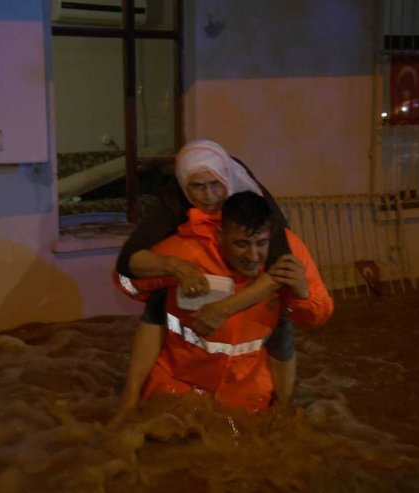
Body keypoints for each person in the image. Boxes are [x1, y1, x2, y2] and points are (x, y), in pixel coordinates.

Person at [115, 140, 298, 407]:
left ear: (226, 177)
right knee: (158, 301)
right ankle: (130, 398)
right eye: (197, 187)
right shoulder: (173, 199)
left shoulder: (253, 197)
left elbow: (281, 268)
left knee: (281, 316)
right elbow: (127, 261)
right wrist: (177, 266)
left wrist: (224, 309)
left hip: (254, 272)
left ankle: (286, 404)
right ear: (183, 184)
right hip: (201, 258)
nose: (209, 196)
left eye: (215, 184)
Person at [115, 192, 333, 413]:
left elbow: (316, 318)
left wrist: (302, 294)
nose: (253, 256)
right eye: (241, 244)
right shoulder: (187, 251)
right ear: (220, 235)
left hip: (248, 396)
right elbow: (125, 282)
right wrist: (171, 268)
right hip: (177, 388)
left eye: (261, 243)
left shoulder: (288, 253)